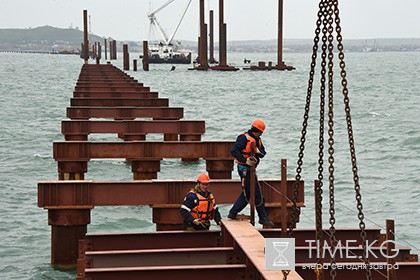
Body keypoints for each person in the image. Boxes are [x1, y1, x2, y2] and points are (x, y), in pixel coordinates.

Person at [228, 119, 274, 227]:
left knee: (249, 193)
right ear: (257, 131)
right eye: (261, 132)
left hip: (251, 170)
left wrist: (258, 152)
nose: (261, 134)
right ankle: (263, 218)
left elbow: (263, 153)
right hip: (244, 169)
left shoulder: (258, 140)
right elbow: (234, 151)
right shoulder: (243, 138)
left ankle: (233, 212)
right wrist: (245, 161)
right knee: (256, 193)